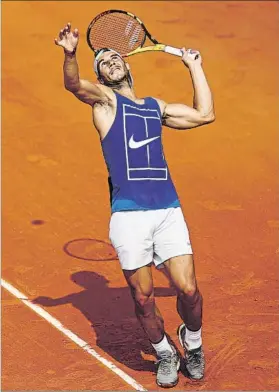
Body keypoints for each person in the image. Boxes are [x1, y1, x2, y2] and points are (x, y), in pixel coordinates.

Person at [55, 22, 215, 388]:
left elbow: (205, 114)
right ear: (102, 77)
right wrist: (69, 54)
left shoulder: (154, 107)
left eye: (114, 57)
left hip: (167, 210)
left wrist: (194, 66)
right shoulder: (106, 104)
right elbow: (74, 85)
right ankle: (164, 353)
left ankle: (192, 343)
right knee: (142, 298)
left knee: (188, 290)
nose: (109, 61)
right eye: (102, 62)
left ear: (128, 66)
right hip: (128, 216)